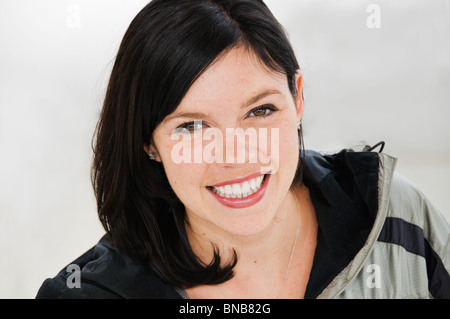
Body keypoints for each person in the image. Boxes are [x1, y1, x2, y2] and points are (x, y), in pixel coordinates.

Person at [36, 0, 450, 299]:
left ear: (298, 98)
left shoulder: (400, 218)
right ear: (148, 141)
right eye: (192, 126)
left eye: (260, 110)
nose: (234, 155)